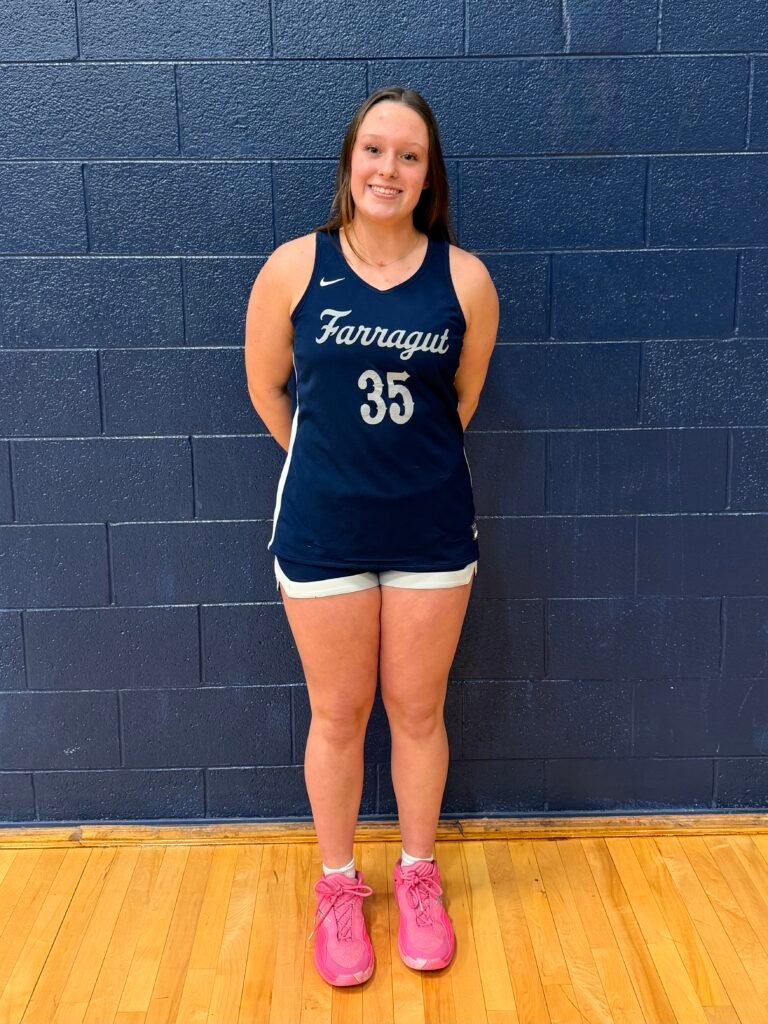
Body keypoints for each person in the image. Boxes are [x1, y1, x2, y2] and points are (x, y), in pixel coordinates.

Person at [244, 84, 499, 987]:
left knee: (418, 711)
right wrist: (333, 464)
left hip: (431, 530)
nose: (389, 168)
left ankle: (418, 876)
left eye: (409, 155)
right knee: (339, 713)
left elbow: (459, 403)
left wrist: (399, 468)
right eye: (375, 150)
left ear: (429, 176)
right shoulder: (293, 268)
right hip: (323, 530)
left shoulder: (465, 280)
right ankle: (338, 886)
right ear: (350, 162)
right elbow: (267, 390)